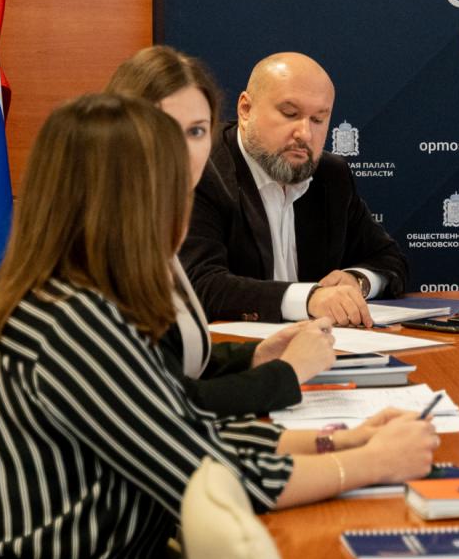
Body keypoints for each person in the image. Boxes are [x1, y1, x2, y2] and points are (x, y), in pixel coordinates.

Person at [0, 94, 437, 559]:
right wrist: (373, 463)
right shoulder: (76, 324)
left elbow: (189, 430)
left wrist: (342, 441)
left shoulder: (83, 298)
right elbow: (215, 476)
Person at [106, 45, 333, 415]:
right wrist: (288, 374)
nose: (185, 150)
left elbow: (170, 362)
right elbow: (166, 411)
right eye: (165, 129)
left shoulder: (153, 224)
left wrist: (257, 355)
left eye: (197, 131)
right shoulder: (109, 240)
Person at [180, 52, 409, 325]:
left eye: (318, 119)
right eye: (290, 114)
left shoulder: (331, 175)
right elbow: (199, 284)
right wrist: (309, 299)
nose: (305, 134)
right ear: (246, 110)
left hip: (322, 344)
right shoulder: (200, 168)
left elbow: (390, 260)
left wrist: (357, 280)